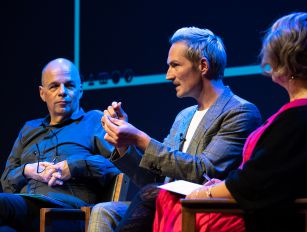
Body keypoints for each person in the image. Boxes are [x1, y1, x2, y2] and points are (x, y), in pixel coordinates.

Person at [153, 12, 307, 232]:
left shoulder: (301, 117)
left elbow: (254, 183)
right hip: (272, 208)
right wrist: (223, 186)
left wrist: (207, 192)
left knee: (170, 199)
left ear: (287, 60)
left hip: (268, 219)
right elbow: (267, 174)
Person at [88, 27, 262, 231]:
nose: (168, 75)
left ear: (203, 65)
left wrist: (141, 140)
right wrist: (126, 146)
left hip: (203, 210)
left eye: (175, 65)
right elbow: (154, 181)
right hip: (165, 202)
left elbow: (203, 171)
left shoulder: (240, 112)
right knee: (105, 210)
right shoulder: (184, 116)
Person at [0, 58, 120, 232]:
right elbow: (6, 180)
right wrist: (27, 171)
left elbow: (116, 165)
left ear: (80, 89)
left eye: (69, 85)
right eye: (54, 86)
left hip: (66, 212)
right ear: (42, 93)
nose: (62, 92)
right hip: (24, 210)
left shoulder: (95, 121)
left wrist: (73, 167)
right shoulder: (29, 128)